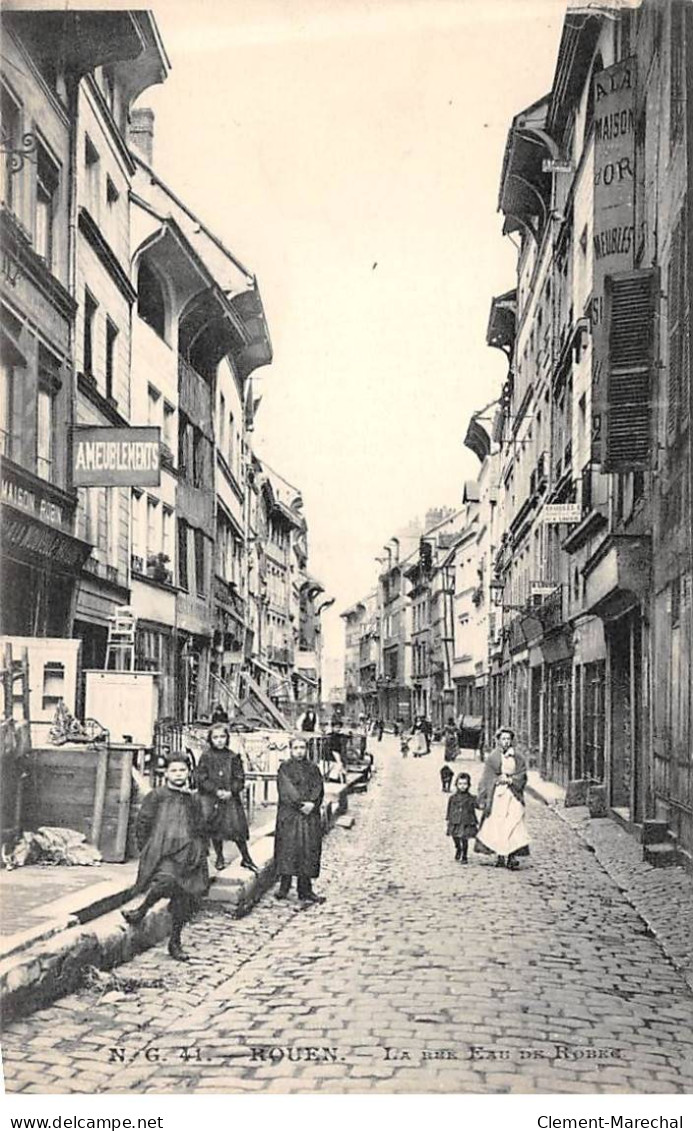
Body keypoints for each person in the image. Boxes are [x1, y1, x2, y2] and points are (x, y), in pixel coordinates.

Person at [122, 754, 209, 961]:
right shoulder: (157, 796)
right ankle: (141, 910)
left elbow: (201, 826)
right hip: (164, 852)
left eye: (182, 770)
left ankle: (175, 942)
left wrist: (201, 851)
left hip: (189, 854)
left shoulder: (193, 799)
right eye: (174, 770)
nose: (178, 774)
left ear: (188, 772)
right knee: (165, 880)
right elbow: (143, 823)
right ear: (166, 773)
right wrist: (147, 849)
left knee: (183, 897)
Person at [197, 724, 259, 873]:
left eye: (222, 737)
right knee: (215, 827)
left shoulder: (233, 757)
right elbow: (201, 777)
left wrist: (232, 791)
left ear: (227, 738)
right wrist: (215, 790)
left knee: (236, 827)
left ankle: (246, 857)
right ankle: (219, 856)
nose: (219, 740)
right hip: (212, 798)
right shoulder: (206, 757)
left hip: (230, 798)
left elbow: (239, 778)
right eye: (216, 737)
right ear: (211, 739)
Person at [274, 735, 326, 903]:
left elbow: (318, 787)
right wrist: (299, 804)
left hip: (309, 816)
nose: (299, 751)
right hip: (290, 815)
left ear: (307, 749)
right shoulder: (284, 768)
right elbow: (286, 789)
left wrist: (312, 803)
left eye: (302, 748)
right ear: (290, 750)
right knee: (287, 849)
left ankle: (305, 889)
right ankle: (284, 885)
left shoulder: (313, 768)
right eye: (296, 748)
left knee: (307, 850)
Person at [475, 726, 529, 869]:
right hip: (498, 795)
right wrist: (493, 784)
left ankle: (512, 855)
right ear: (498, 740)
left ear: (512, 740)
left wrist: (512, 780)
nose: (505, 741)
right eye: (503, 739)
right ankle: (500, 855)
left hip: (513, 794)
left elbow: (523, 775)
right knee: (498, 823)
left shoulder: (518, 757)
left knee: (514, 822)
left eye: (508, 739)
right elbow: (487, 777)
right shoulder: (493, 757)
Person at [446, 772, 478, 863]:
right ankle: (458, 848)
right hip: (455, 820)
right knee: (455, 836)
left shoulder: (471, 798)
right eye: (460, 784)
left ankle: (464, 855)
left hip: (466, 821)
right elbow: (449, 809)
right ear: (456, 785)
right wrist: (448, 819)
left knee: (464, 838)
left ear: (468, 785)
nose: (462, 786)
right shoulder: (453, 798)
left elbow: (478, 805)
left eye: (465, 784)